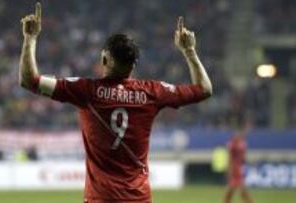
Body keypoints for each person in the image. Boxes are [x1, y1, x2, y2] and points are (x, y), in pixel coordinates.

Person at [19, 3, 212, 203]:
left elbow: (29, 80)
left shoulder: (86, 91)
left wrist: (30, 38)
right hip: (139, 197)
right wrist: (189, 51)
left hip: (101, 198)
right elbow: (204, 89)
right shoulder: (153, 92)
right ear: (133, 65)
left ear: (104, 59)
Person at [223, 129, 254, 203]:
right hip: (234, 168)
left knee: (238, 188)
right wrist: (229, 169)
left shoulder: (240, 144)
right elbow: (231, 156)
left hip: (238, 168)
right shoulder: (235, 144)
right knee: (233, 188)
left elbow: (242, 157)